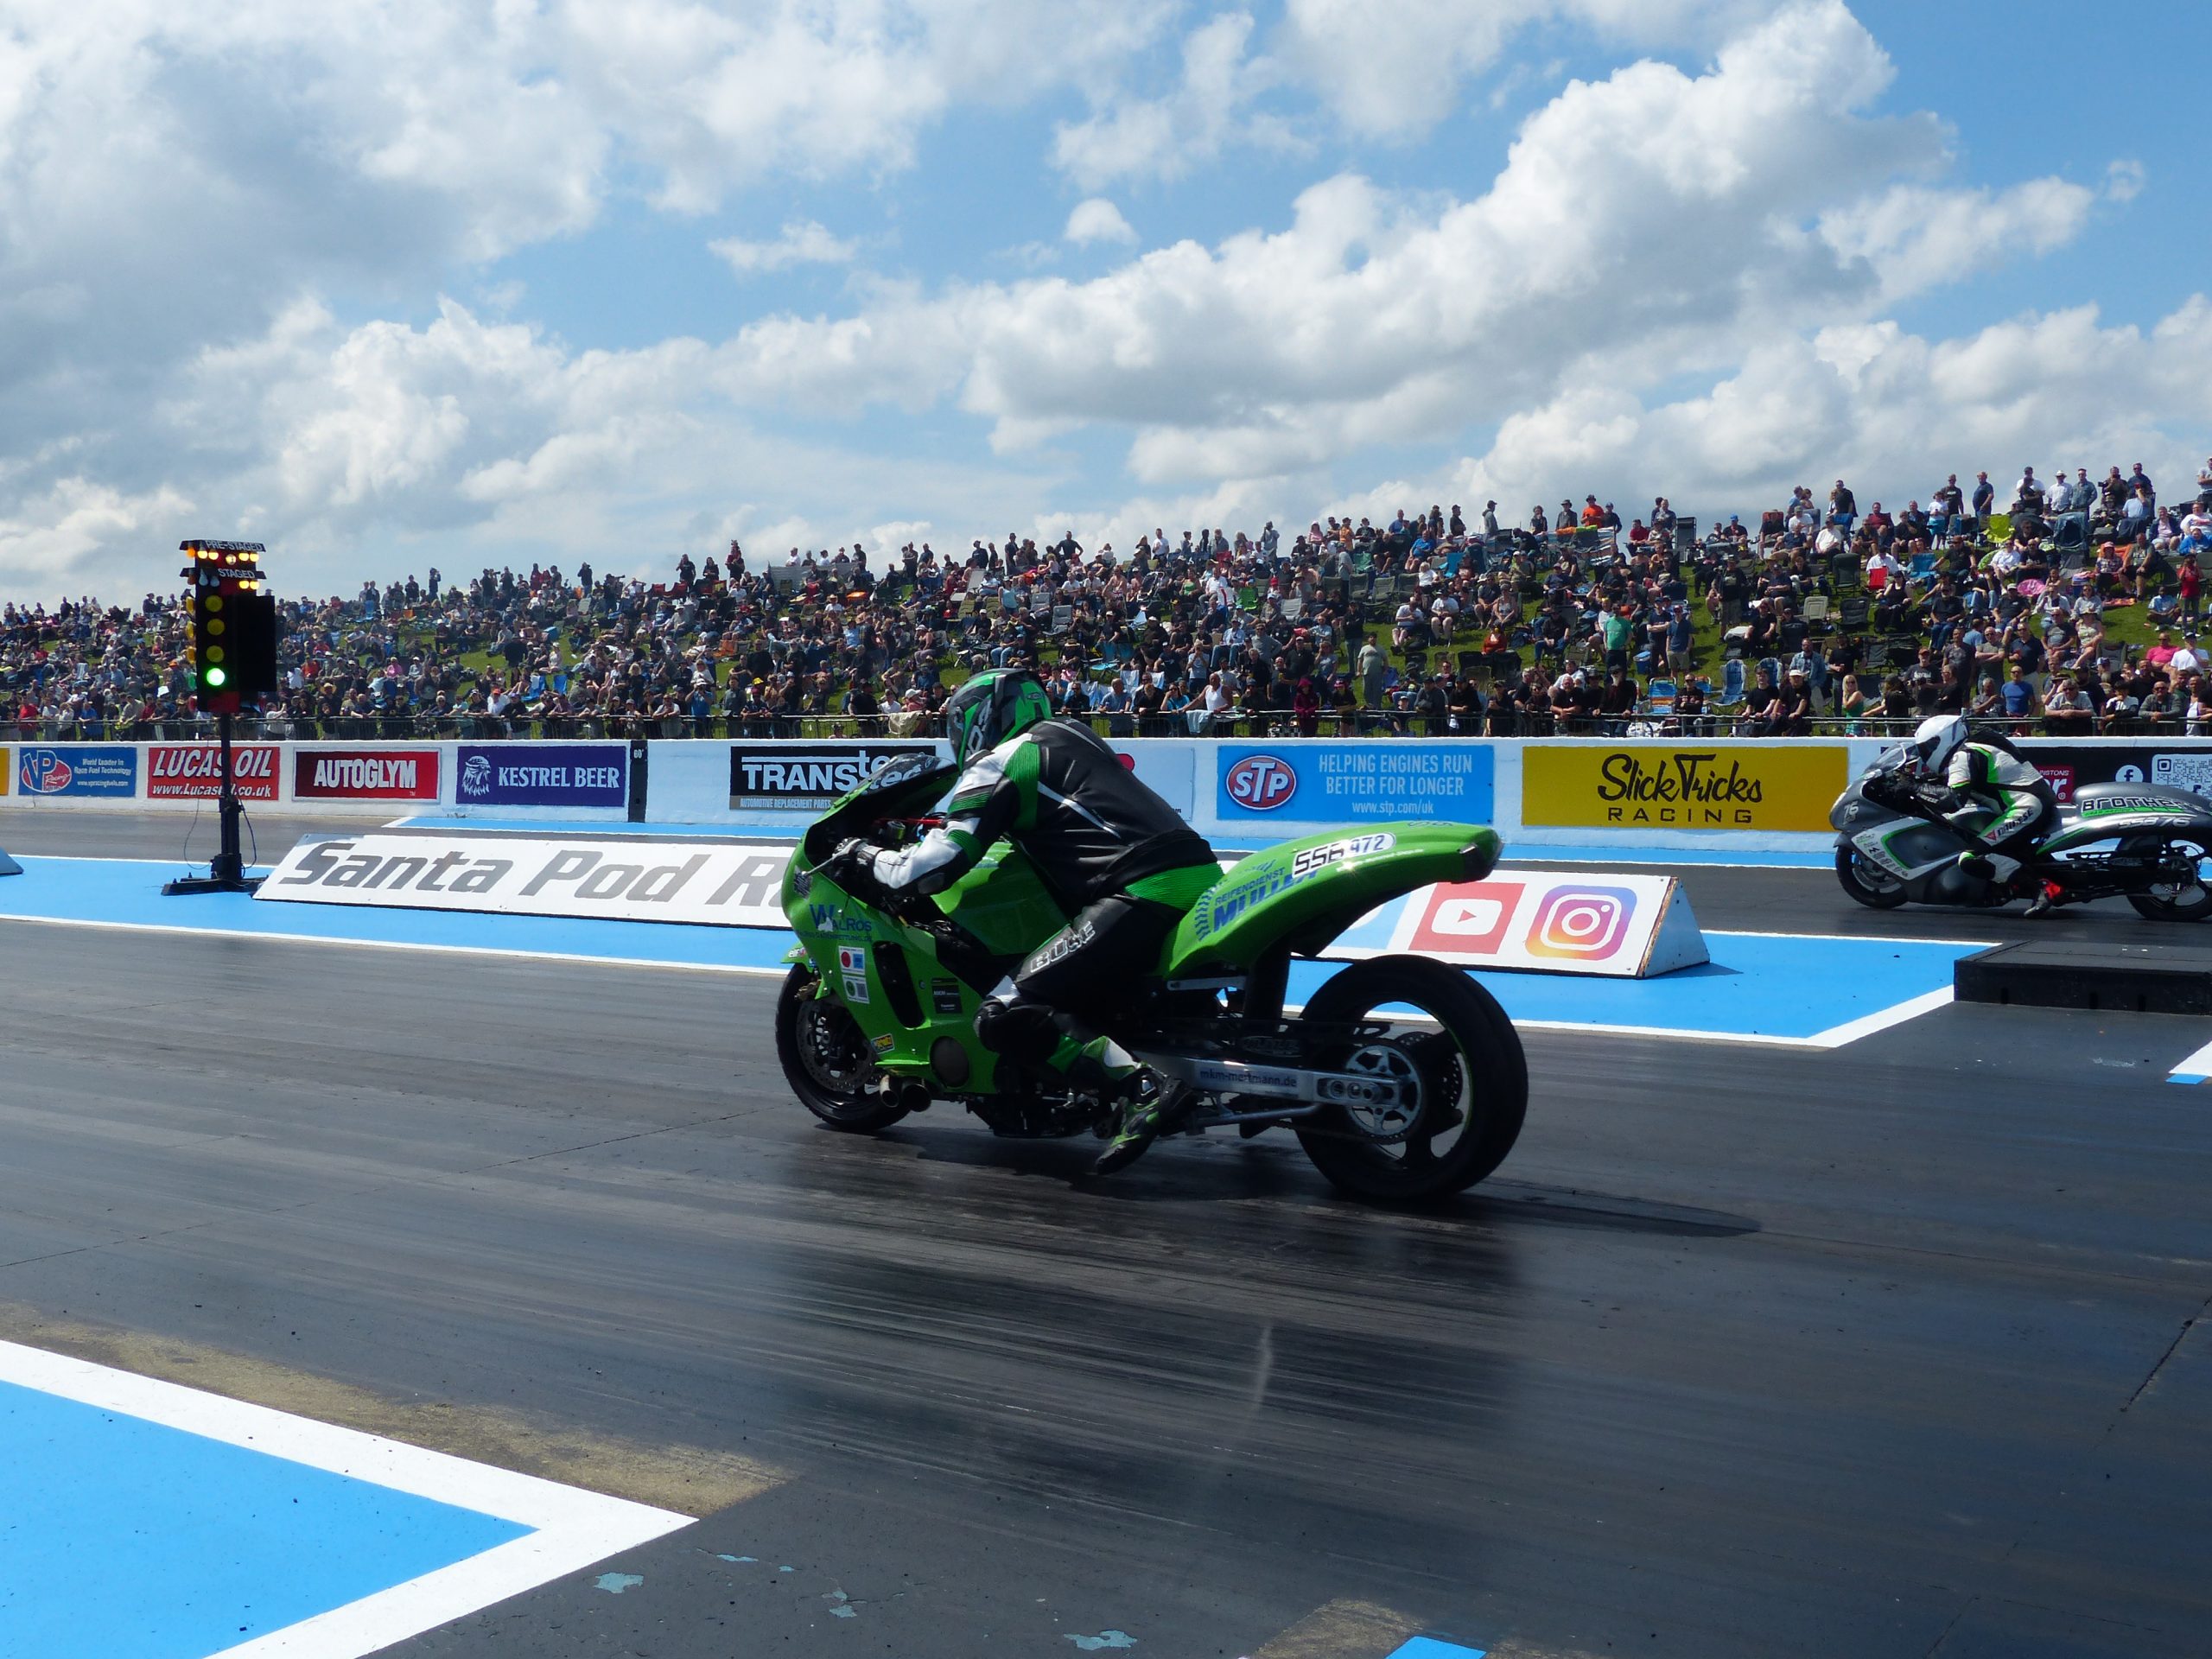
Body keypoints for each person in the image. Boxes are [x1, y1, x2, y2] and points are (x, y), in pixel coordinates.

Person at [860, 669, 1223, 1173]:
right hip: (1201, 875)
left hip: (1141, 890)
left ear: (979, 720)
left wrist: (867, 856)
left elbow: (937, 866)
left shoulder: (1002, 760)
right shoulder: (1075, 736)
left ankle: (1140, 1088)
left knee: (1003, 1013)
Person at [1909, 714, 2062, 915]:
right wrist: (1922, 782)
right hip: (2033, 802)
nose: (1927, 753)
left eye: (1929, 747)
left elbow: (1953, 800)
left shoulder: (1962, 756)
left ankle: (2040, 887)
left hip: (2026, 807)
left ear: (1943, 740)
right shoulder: (1976, 746)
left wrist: (1912, 788)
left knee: (1971, 858)